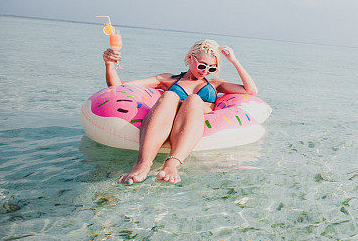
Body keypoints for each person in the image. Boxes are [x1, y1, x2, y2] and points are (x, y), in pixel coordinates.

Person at [102, 39, 258, 185]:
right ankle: (143, 164)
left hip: (190, 124)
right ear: (190, 58)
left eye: (212, 68)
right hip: (166, 122)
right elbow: (120, 87)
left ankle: (171, 164)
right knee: (170, 95)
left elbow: (251, 90)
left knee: (194, 100)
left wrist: (234, 61)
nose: (205, 72)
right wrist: (109, 64)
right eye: (202, 66)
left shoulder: (215, 84)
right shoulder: (168, 79)